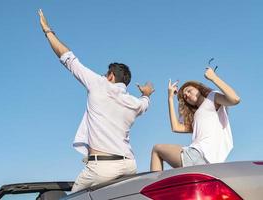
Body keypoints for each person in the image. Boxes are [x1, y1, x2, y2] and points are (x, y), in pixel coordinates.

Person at [38, 9, 155, 191]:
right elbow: (145, 102)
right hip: (129, 165)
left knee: (73, 197)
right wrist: (147, 92)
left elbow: (67, 57)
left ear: (110, 76)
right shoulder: (134, 103)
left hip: (102, 167)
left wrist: (47, 30)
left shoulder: (99, 83)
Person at [150, 67, 240, 171]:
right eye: (185, 96)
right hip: (206, 163)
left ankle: (154, 187)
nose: (187, 95)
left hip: (199, 155)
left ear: (198, 88)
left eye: (189, 90)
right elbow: (175, 127)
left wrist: (214, 78)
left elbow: (235, 99)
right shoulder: (196, 117)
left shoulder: (211, 98)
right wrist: (170, 98)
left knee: (157, 149)